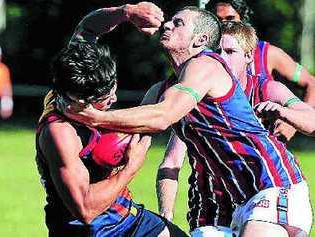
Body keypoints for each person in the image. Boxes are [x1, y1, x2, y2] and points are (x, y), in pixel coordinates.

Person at [62, 6, 313, 237]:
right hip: (236, 205)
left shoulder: (207, 66)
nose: (168, 25)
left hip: (273, 186)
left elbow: (162, 117)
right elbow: (133, 134)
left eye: (178, 23)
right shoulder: (164, 89)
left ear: (201, 40)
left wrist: (95, 117)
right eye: (170, 20)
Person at [36, 3, 188, 236]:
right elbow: (85, 210)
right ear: (81, 100)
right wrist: (131, 167)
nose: (114, 99)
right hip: (95, 231)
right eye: (105, 98)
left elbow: (88, 28)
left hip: (128, 218)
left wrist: (127, 12)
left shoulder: (76, 67)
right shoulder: (60, 133)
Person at [156, 20, 315, 235]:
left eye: (230, 51)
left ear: (249, 57)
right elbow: (171, 162)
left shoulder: (266, 88)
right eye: (217, 51)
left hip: (265, 191)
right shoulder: (191, 94)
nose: (221, 57)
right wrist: (166, 213)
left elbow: (312, 121)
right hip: (212, 205)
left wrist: (285, 114)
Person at [206, 0, 315, 142]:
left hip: (266, 148)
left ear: (243, 19)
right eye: (218, 20)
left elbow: (311, 83)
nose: (224, 24)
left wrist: (293, 121)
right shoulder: (203, 57)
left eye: (230, 19)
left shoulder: (268, 54)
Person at [0, 46, 13, 119]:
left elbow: (7, 87)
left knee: (7, 102)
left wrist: (8, 98)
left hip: (2, 96)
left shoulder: (4, 69)